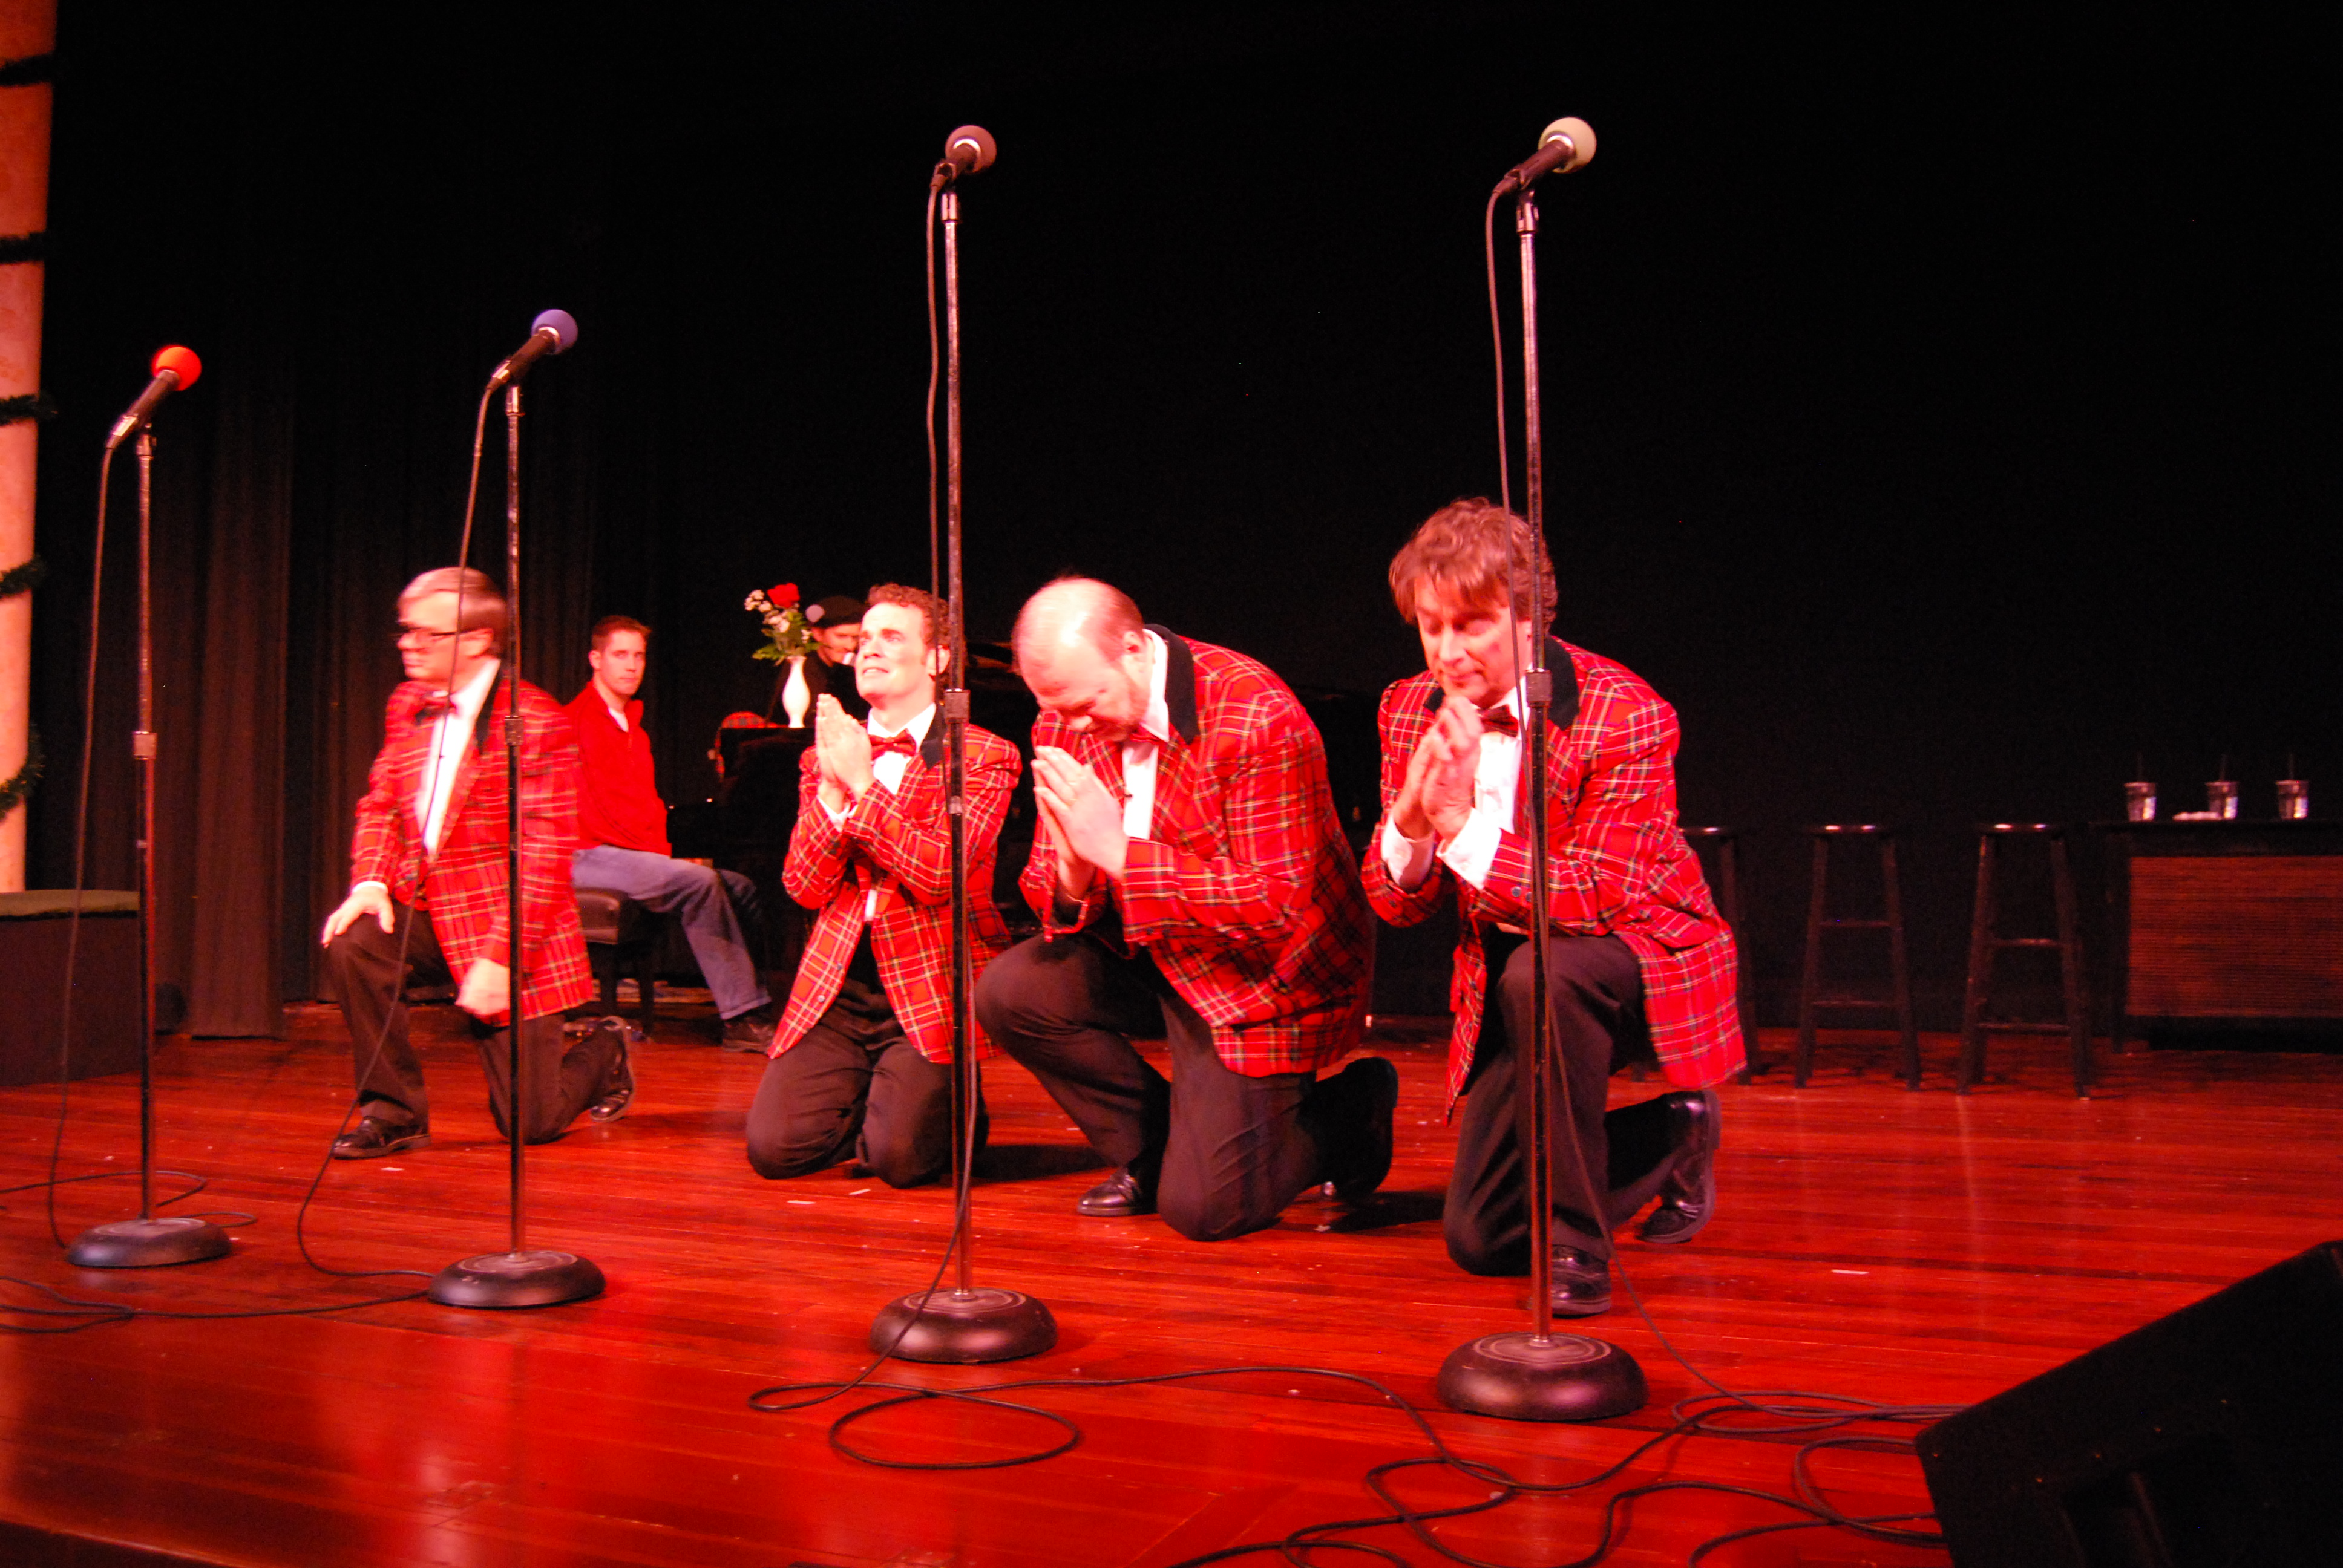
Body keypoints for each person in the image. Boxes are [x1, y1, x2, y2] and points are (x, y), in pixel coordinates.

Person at [1365, 499, 1742, 1316]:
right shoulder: (1408, 706)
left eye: (1471, 625)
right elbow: (1394, 905)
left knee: (1548, 970)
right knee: (1482, 1238)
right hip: (1512, 977)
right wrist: (1413, 820)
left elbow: (1595, 895)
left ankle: (1578, 1243)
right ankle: (1675, 1131)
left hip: (1632, 952)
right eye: (1431, 627)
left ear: (1530, 617)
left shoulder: (1624, 712)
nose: (1447, 652)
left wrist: (1461, 825)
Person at [973, 577, 1393, 1242]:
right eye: (1056, 709)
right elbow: (1054, 894)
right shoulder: (1064, 716)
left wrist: (1117, 854)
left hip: (1258, 970)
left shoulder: (1255, 714)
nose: (1073, 726)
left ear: (1133, 649)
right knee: (1011, 991)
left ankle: (1351, 1113)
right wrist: (1075, 872)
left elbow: (1272, 905)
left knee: (1206, 1212)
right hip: (1152, 949)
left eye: (1087, 704)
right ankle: (1155, 1151)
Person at [320, 567, 627, 1157]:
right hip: (430, 910)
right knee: (356, 944)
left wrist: (500, 959)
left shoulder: (535, 720)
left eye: (426, 634)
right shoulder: (409, 703)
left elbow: (543, 859)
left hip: (509, 926)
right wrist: (371, 881)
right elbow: (382, 803)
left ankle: (605, 1050)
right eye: (405, 631)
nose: (409, 645)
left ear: (479, 639)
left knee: (529, 1124)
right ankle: (393, 1112)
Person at [745, 584, 1018, 1186]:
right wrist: (830, 790)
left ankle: (943, 1109)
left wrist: (864, 788)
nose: (868, 648)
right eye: (865, 638)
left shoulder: (981, 756)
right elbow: (804, 887)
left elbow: (937, 875)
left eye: (891, 637)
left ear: (937, 658)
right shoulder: (825, 757)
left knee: (898, 1161)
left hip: (927, 983)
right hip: (842, 984)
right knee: (774, 1152)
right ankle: (886, 1103)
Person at [565, 615, 777, 1050]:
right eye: (620, 655)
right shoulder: (579, 722)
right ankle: (741, 1019)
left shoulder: (633, 729)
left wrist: (666, 854)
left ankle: (765, 1001)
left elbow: (644, 807)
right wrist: (665, 860)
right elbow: (604, 815)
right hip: (587, 853)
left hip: (626, 852)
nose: (631, 666)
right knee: (699, 883)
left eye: (639, 656)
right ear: (596, 660)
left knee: (740, 887)